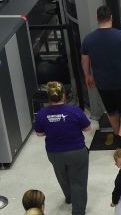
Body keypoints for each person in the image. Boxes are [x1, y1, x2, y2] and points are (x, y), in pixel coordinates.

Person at [81, 5, 121, 148]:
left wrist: (88, 76)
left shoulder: (89, 39)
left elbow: (84, 59)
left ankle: (116, 133)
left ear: (97, 18)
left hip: (103, 82)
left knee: (111, 109)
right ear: (111, 18)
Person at [34, 81, 91, 215]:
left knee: (62, 176)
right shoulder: (75, 111)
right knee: (78, 181)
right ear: (64, 96)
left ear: (49, 97)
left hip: (54, 153)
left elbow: (39, 133)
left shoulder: (42, 113)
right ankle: (78, 211)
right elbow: (88, 128)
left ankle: (69, 197)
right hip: (77, 152)